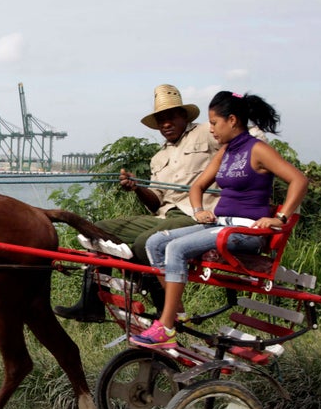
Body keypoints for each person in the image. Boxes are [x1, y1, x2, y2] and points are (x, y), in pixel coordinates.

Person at [130, 91, 309, 349]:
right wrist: (199, 209)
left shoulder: (257, 150)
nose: (211, 129)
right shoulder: (225, 152)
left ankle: (166, 328)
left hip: (245, 230)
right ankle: (177, 313)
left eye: (214, 123)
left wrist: (279, 218)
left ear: (232, 120)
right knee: (156, 243)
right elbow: (198, 186)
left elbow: (299, 180)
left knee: (176, 248)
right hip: (219, 224)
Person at [55, 84, 221, 322]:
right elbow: (156, 203)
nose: (165, 124)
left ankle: (169, 306)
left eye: (171, 116)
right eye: (160, 119)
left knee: (146, 242)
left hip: (195, 216)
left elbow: (247, 138)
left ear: (184, 115)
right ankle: (91, 303)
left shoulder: (206, 132)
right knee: (97, 230)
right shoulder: (159, 158)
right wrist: (137, 187)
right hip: (165, 215)